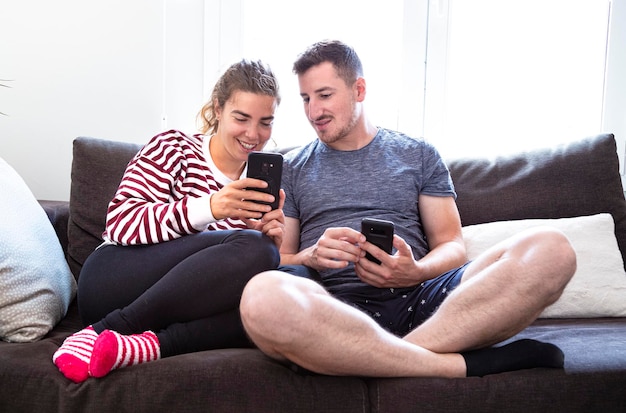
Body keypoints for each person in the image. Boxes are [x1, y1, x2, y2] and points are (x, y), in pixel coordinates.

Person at [239, 40, 577, 378]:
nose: (314, 112)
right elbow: (280, 258)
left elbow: (452, 245)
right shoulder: (291, 167)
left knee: (552, 248)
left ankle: (372, 359)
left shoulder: (417, 154)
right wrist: (310, 257)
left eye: (324, 95)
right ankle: (448, 365)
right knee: (260, 297)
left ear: (359, 89)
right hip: (330, 308)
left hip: (425, 303)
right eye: (306, 99)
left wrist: (415, 271)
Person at [52, 59, 285, 383]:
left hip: (183, 306)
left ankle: (146, 346)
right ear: (218, 109)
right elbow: (120, 222)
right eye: (241, 118)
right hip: (114, 279)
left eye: (265, 122)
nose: (253, 134)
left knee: (281, 290)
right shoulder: (174, 147)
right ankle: (105, 330)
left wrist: (263, 243)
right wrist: (211, 207)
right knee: (257, 250)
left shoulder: (258, 186)